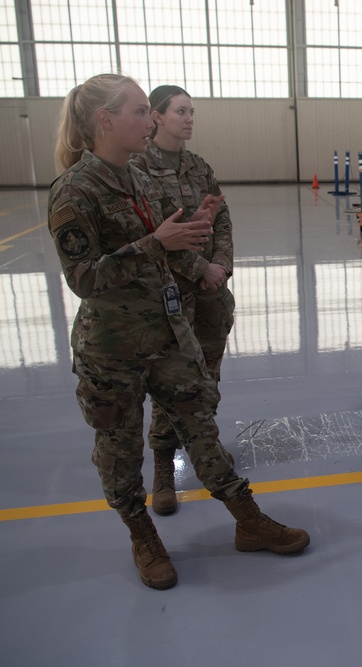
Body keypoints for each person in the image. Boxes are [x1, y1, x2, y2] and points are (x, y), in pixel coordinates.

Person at [48, 73, 309, 591]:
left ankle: (247, 519)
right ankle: (142, 534)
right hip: (113, 350)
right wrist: (157, 242)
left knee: (201, 425)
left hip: (169, 334)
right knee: (120, 451)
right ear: (106, 120)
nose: (150, 120)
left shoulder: (139, 181)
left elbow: (167, 248)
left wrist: (192, 235)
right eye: (142, 111)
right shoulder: (74, 191)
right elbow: (83, 280)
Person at [131, 85, 235, 516]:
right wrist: (200, 270)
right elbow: (150, 236)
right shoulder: (137, 168)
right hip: (170, 297)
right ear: (156, 116)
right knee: (172, 383)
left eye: (192, 111)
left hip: (210, 295)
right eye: (180, 111)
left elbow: (222, 217)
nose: (189, 118)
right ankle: (162, 469)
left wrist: (222, 268)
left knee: (207, 378)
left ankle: (207, 452)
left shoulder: (197, 166)